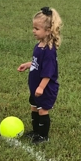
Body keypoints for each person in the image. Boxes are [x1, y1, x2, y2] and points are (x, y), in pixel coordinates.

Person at [17, 7, 62, 144]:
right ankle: (36, 131)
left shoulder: (49, 51)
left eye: (37, 29)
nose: (33, 31)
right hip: (35, 86)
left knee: (42, 110)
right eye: (33, 28)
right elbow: (39, 63)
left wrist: (41, 88)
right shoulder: (39, 45)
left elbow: (48, 73)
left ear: (48, 30)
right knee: (34, 107)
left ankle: (43, 136)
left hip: (45, 88)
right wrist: (29, 64)